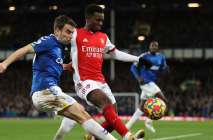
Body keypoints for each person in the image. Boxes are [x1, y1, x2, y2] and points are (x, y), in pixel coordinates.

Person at [0, 15, 118, 140]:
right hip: (45, 91)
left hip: (49, 92)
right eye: (68, 32)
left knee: (75, 115)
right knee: (82, 114)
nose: (70, 36)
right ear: (57, 31)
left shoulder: (60, 48)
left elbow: (55, 65)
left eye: (72, 33)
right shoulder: (48, 41)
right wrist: (5, 63)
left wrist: (70, 66)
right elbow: (25, 49)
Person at [53, 4, 152, 140]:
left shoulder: (103, 37)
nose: (100, 23)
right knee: (105, 103)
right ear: (88, 18)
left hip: (100, 81)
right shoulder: (75, 34)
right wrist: (60, 63)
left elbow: (116, 54)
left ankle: (92, 138)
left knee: (113, 116)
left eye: (102, 20)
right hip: (84, 81)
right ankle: (128, 136)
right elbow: (60, 39)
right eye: (97, 20)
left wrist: (138, 59)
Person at [125, 41, 169, 133]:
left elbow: (163, 68)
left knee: (141, 107)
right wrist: (138, 77)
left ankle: (127, 126)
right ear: (149, 47)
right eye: (152, 45)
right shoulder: (144, 56)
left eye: (155, 46)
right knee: (163, 100)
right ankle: (149, 120)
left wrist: (165, 69)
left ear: (157, 47)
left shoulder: (161, 57)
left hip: (152, 82)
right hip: (145, 82)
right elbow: (133, 67)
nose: (154, 47)